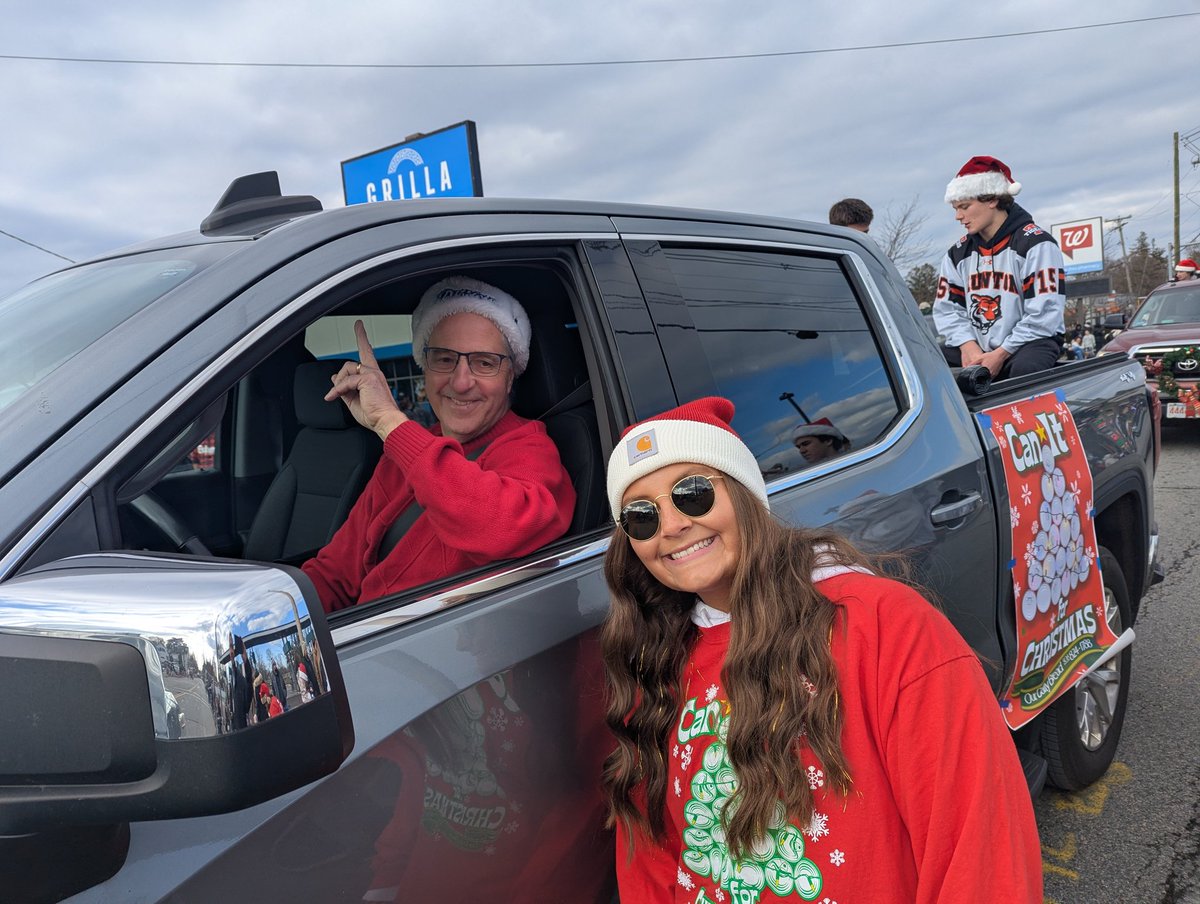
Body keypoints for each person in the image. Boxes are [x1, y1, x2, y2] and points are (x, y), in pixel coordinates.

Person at [600, 396, 1042, 902]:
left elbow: (978, 844)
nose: (672, 526)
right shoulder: (656, 664)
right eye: (641, 516)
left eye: (693, 494)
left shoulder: (880, 624)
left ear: (745, 494)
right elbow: (651, 858)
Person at [301, 275, 576, 611]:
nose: (461, 383)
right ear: (425, 369)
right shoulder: (403, 452)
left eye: (485, 363)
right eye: (445, 359)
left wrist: (389, 422)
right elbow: (334, 576)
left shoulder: (529, 448)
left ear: (510, 378)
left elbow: (503, 526)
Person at [933, 156, 1065, 379]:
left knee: (1025, 370)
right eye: (956, 208)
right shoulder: (957, 253)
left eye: (964, 206)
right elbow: (947, 311)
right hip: (978, 345)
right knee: (924, 362)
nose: (958, 216)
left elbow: (1044, 315)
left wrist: (1001, 353)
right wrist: (968, 346)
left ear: (992, 199)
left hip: (1028, 343)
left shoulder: (1036, 243)